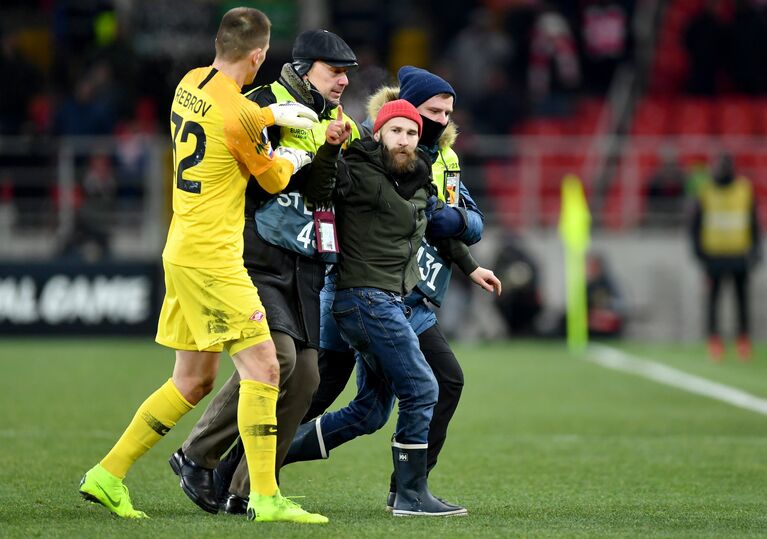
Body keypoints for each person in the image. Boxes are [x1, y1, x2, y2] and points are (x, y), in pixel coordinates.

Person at [77, 8, 328, 524]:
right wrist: (308, 147)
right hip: (214, 258)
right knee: (264, 367)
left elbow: (227, 116)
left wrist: (271, 116)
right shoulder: (239, 115)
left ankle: (107, 474)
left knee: (192, 381)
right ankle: (263, 496)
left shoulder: (190, 82)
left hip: (181, 248)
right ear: (259, 57)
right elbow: (276, 178)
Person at [166, 29, 364, 516]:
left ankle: (244, 488)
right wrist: (305, 147)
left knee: (306, 378)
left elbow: (332, 191)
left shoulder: (338, 120)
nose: (342, 82)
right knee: (279, 360)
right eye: (333, 71)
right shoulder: (258, 103)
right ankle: (196, 455)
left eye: (345, 74)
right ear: (303, 67)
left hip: (306, 261)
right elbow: (250, 178)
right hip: (255, 250)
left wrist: (332, 149)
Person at [287, 99, 502, 516]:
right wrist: (331, 149)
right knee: (423, 388)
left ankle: (263, 458)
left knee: (369, 411)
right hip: (363, 298)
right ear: (380, 133)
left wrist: (472, 268)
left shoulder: (417, 176)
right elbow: (319, 188)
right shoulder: (357, 165)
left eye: (410, 134)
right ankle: (409, 495)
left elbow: (435, 223)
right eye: (395, 131)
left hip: (389, 302)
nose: (403, 140)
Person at [691, 153, 761, 361]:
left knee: (742, 300)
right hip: (714, 256)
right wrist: (699, 253)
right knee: (714, 301)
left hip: (739, 254)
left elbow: (753, 222)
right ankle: (714, 340)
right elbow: (695, 225)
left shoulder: (744, 190)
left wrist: (757, 251)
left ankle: (743, 340)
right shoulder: (706, 191)